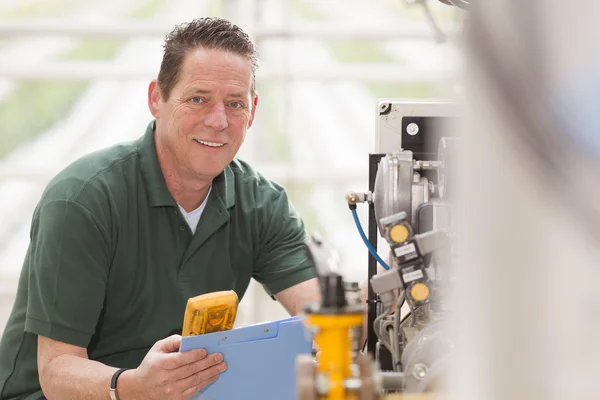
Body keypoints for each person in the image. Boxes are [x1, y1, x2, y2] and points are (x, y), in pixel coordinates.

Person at [0, 17, 321, 400]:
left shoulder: (261, 203)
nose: (218, 121)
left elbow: (323, 312)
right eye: (198, 98)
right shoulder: (82, 200)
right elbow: (56, 371)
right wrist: (133, 386)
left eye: (234, 104)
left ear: (252, 110)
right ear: (157, 98)